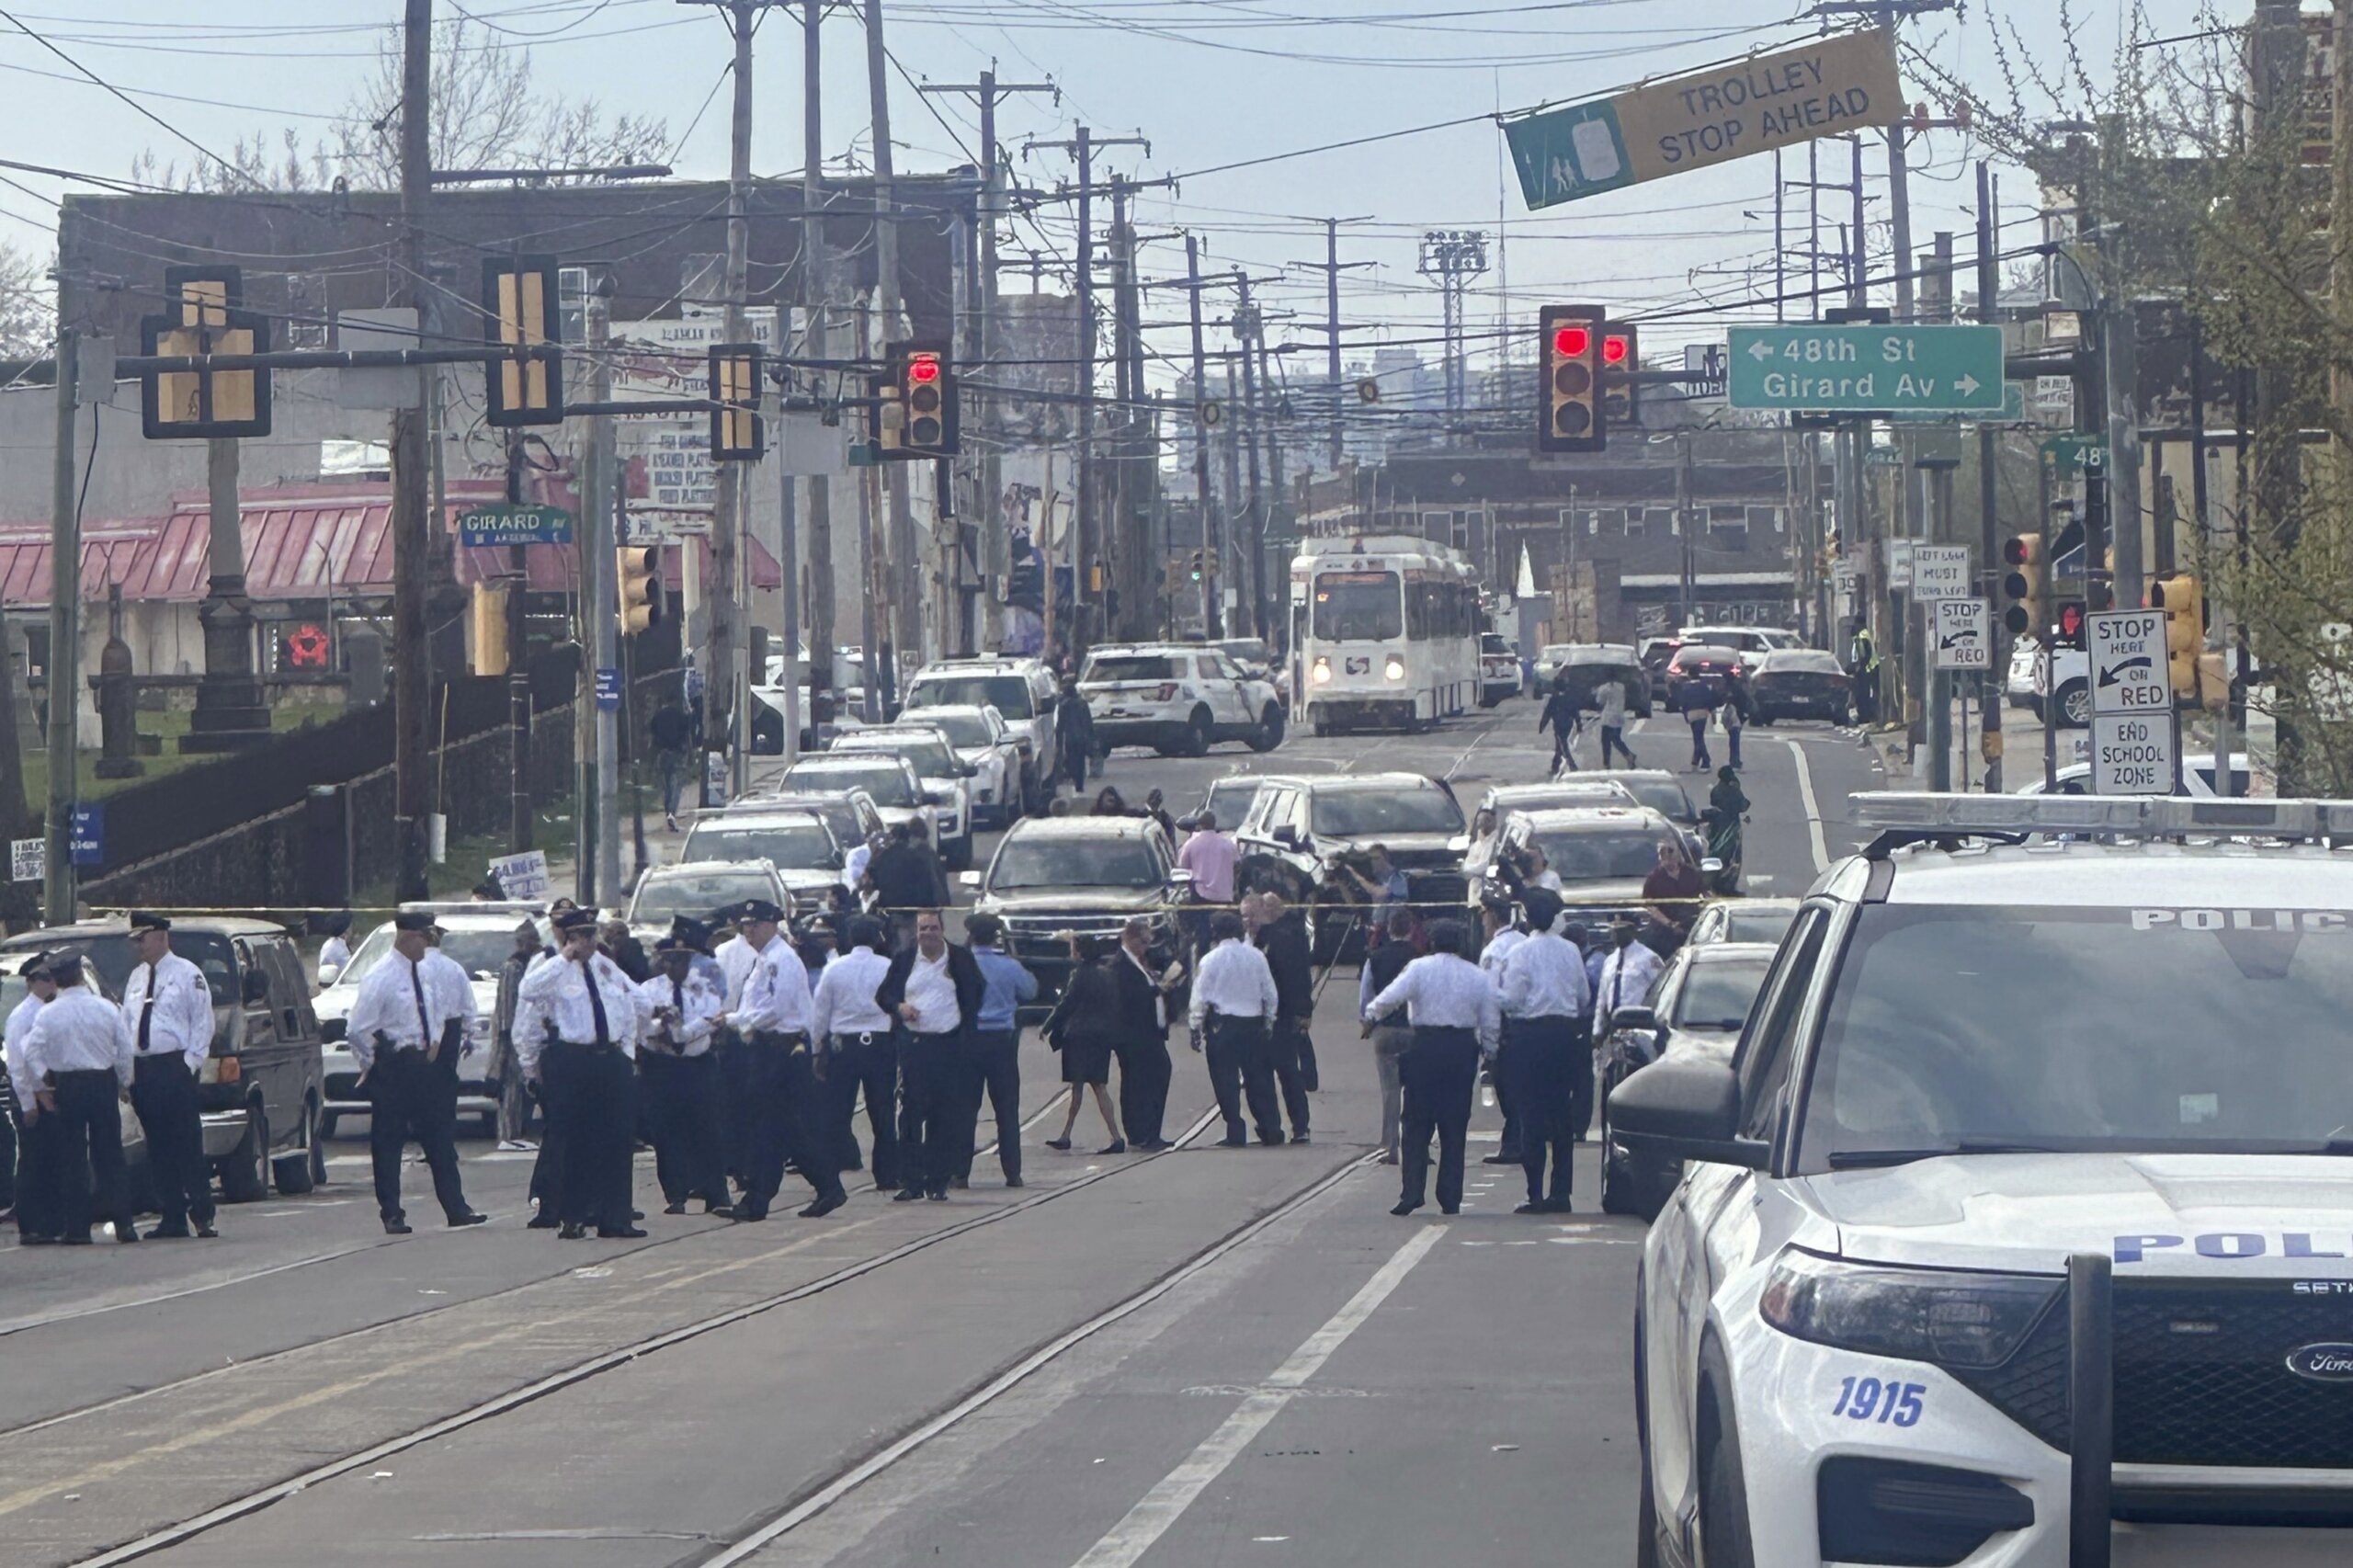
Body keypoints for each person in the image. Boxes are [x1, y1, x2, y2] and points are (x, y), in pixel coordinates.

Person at [346, 912, 488, 1235]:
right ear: (409, 937)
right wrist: (373, 1063)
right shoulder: (380, 976)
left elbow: (435, 1014)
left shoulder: (423, 973)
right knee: (389, 1142)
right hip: (395, 1064)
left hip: (427, 1065)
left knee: (440, 1137)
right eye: (426, 937)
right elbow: (358, 1029)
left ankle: (456, 1207)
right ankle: (392, 1211)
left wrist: (434, 1046)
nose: (429, 944)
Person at [516, 908, 653, 1238]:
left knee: (618, 1140)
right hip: (573, 1060)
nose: (589, 943)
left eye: (592, 935)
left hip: (610, 1058)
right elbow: (528, 992)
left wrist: (628, 1051)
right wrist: (564, 958)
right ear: (567, 938)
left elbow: (640, 1001)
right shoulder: (553, 968)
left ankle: (615, 1217)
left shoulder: (605, 967)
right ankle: (573, 1217)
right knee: (576, 1141)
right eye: (581, 936)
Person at [1362, 918, 1499, 1218]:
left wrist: (1371, 1015)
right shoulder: (1477, 976)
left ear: (1432, 942)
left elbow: (1389, 997)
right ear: (1461, 944)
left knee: (1415, 1123)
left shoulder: (1419, 969)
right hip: (1461, 1049)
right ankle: (1450, 1196)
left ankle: (1412, 1193)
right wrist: (1490, 1052)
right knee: (1454, 1126)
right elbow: (1490, 1021)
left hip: (1424, 1046)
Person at [722, 898, 846, 1220]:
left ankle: (816, 1187)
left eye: (755, 925)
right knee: (775, 1127)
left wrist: (733, 1020)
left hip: (783, 1050)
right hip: (765, 1048)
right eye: (745, 926)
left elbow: (774, 1010)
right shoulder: (765, 959)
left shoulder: (780, 960)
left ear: (771, 925)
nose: (749, 931)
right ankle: (764, 1197)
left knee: (779, 1125)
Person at [19, 954, 137, 1245]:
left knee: (73, 1157)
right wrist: (124, 1081)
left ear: (56, 980)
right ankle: (124, 1224)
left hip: (68, 1085)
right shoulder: (106, 1009)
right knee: (110, 1154)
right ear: (82, 977)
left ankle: (78, 1228)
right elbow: (124, 1048)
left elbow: (31, 1053)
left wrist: (43, 1082)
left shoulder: (48, 1014)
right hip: (102, 1081)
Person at [874, 908, 986, 1200]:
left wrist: (964, 1029)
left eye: (933, 928)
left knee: (945, 1115)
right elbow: (884, 995)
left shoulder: (960, 958)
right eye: (923, 929)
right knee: (910, 1114)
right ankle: (912, 1180)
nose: (928, 934)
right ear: (916, 932)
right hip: (914, 1046)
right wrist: (900, 1008)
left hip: (949, 1046)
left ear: (942, 930)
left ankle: (938, 1181)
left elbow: (976, 993)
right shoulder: (905, 960)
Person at [121, 912, 219, 1240]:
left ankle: (202, 1215)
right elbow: (127, 1024)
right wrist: (128, 1071)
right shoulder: (136, 978)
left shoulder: (188, 974)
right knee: (158, 1147)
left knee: (186, 1144)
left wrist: (190, 1064)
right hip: (144, 1069)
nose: (138, 946)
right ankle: (172, 1215)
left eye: (142, 938)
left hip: (174, 1067)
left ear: (161, 935)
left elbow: (202, 1023)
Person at [1496, 890, 1590, 1212]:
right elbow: (1583, 997)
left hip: (1530, 1036)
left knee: (1531, 1115)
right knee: (1561, 1116)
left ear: (1528, 918)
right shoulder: (1571, 951)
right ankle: (1561, 1192)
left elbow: (1510, 1000)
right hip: (1564, 1034)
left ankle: (1534, 1192)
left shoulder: (1520, 952)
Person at [636, 932, 732, 1216]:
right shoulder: (649, 990)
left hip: (696, 1064)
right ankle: (675, 1194)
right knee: (666, 1131)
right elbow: (641, 1025)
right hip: (661, 1067)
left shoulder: (706, 989)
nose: (675, 965)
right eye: (670, 960)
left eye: (681, 960)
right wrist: (659, 1028)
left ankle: (716, 1193)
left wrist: (678, 1034)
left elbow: (708, 1021)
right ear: (661, 962)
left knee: (707, 1129)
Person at [810, 915, 900, 1190]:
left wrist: (817, 1050)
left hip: (843, 1046)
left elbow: (821, 1012)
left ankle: (830, 1171)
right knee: (883, 1112)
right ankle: (887, 1175)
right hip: (881, 1044)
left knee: (837, 1112)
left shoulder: (834, 969)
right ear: (877, 938)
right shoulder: (889, 967)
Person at [1188, 909, 1280, 1147]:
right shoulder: (1257, 956)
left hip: (1223, 1026)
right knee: (1260, 1079)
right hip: (1253, 1024)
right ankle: (1270, 1128)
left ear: (1215, 933)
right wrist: (1269, 1020)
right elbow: (1270, 993)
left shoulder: (1210, 960)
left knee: (1225, 1080)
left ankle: (1235, 1129)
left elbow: (1200, 996)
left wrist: (1195, 1027)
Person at [959, 914, 1037, 1187]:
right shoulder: (1008, 966)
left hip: (969, 1039)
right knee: (1007, 1109)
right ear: (995, 937)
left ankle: (960, 1172)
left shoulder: (961, 966)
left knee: (966, 1108)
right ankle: (1012, 1172)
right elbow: (1030, 991)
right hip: (1001, 1042)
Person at [1041, 934, 1124, 1153]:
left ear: (1079, 951)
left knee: (1081, 1086)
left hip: (1079, 1036)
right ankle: (1070, 1134)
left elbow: (1067, 1003)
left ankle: (1112, 1137)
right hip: (1101, 1035)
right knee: (1095, 1086)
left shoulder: (1078, 974)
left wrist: (1048, 1025)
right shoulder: (1108, 974)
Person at [1108, 915, 1177, 1152]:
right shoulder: (1120, 965)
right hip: (1136, 1035)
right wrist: (1157, 989)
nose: (1147, 948)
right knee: (1140, 1081)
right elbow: (1127, 998)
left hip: (1151, 1033)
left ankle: (1148, 1131)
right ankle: (1143, 1132)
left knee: (1153, 1077)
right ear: (1131, 939)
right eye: (1144, 942)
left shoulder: (1140, 962)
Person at [6, 954, 61, 1244]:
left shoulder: (50, 1010)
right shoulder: (24, 1015)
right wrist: (28, 1104)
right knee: (33, 1162)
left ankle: (49, 1222)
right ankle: (32, 1225)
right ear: (31, 982)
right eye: (44, 978)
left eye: (52, 977)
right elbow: (18, 1065)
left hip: (48, 1096)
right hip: (32, 1098)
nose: (51, 983)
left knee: (50, 1160)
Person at [1356, 908, 1417, 1164]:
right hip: (1414, 1031)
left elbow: (1366, 996)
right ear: (1412, 931)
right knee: (1416, 1090)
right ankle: (1416, 1145)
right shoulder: (1419, 958)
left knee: (1390, 1091)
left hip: (1385, 1030)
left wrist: (1367, 1021)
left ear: (1389, 930)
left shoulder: (1375, 957)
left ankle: (1391, 1146)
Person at [1251, 892, 1317, 1128]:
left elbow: (1299, 977)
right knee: (1261, 1074)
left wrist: (1303, 1010)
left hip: (1283, 1013)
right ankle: (1270, 1126)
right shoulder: (1253, 939)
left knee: (1288, 1070)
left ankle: (1300, 1125)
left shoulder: (1288, 936)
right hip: (1255, 1016)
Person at [1476, 897, 1528, 1167]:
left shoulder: (1494, 950)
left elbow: (1490, 1000)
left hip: (1508, 1028)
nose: (1482, 920)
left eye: (1484, 914)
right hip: (1532, 1024)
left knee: (1508, 1089)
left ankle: (1514, 1143)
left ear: (1494, 916)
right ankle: (1521, 1139)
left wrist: (1489, 1045)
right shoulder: (1525, 942)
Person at [493, 920, 551, 1147]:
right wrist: (507, 1038)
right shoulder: (513, 967)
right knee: (512, 1090)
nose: (533, 945)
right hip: (512, 1035)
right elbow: (508, 1006)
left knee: (528, 1087)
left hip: (529, 1033)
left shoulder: (536, 965)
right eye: (529, 941)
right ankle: (509, 1135)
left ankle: (523, 1133)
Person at [869, 822, 950, 950]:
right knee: (916, 942)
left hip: (892, 909)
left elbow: (874, 881)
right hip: (915, 909)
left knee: (900, 943)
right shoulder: (917, 857)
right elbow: (927, 882)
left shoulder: (883, 857)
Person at [1593, 915, 1665, 1045]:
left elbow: (1662, 991)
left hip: (1638, 1024)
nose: (1615, 935)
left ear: (1632, 931)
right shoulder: (1610, 961)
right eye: (1613, 931)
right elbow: (1602, 998)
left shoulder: (1648, 958)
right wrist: (1597, 1029)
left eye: (1620, 931)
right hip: (1613, 1025)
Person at [1175, 808, 1237, 955]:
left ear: (1200, 825)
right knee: (1226, 934)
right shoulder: (1227, 844)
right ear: (1214, 824)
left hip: (1201, 894)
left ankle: (1203, 962)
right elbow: (1237, 864)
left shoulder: (1191, 844)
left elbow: (1183, 866)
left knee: (1203, 934)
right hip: (1224, 895)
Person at [1642, 837, 1708, 943]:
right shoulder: (1653, 878)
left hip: (1691, 927)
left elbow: (1705, 895)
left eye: (1670, 851)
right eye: (1663, 852)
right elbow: (1650, 905)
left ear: (1679, 853)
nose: (1667, 855)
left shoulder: (1692, 873)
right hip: (1664, 931)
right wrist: (1669, 923)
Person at [1703, 767, 1750, 895]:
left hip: (1716, 827)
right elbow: (1743, 805)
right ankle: (1729, 883)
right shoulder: (1734, 791)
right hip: (1731, 827)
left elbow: (1713, 804)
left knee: (1714, 852)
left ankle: (1712, 881)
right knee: (1734, 856)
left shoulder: (1715, 790)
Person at [650, 699, 693, 831]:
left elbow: (652, 734)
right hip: (677, 753)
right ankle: (672, 812)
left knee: (665, 785)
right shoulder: (680, 715)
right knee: (677, 784)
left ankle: (667, 809)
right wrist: (689, 753)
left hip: (662, 753)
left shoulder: (658, 716)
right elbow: (687, 734)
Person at [1055, 674, 1097, 794]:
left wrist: (1058, 740)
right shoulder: (1082, 704)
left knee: (1071, 760)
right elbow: (1088, 722)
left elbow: (1060, 725)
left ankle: (1075, 780)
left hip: (1070, 738)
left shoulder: (1063, 705)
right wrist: (1092, 737)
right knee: (1080, 761)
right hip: (1082, 738)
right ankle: (1079, 783)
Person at [1537, 676, 1583, 776]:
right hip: (1568, 724)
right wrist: (1579, 724)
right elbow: (1575, 712)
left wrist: (1542, 725)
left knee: (1562, 745)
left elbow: (1547, 713)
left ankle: (1572, 765)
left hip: (1558, 725)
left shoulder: (1554, 699)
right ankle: (1555, 766)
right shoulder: (1570, 698)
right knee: (1560, 745)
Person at [1594, 673, 1638, 767]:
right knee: (1616, 739)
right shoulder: (1621, 686)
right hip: (1619, 716)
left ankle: (1607, 763)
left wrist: (1596, 691)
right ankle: (1629, 755)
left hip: (1608, 717)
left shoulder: (1604, 688)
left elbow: (1599, 701)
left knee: (1605, 741)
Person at [1680, 676, 1716, 773]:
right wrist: (1712, 712)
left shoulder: (1686, 687)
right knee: (1699, 737)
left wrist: (1685, 715)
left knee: (1697, 738)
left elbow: (1684, 703)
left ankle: (1697, 761)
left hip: (1692, 713)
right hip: (1702, 713)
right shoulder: (1704, 687)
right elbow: (1710, 700)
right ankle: (1704, 760)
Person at [1719, 668, 1748, 770]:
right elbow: (1744, 700)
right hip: (1738, 716)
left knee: (1733, 740)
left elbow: (1720, 700)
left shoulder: (1726, 689)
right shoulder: (1738, 688)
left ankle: (1734, 761)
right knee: (1735, 739)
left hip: (1731, 715)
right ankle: (1735, 761)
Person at [317, 912, 354, 985]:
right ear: (346, 930)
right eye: (350, 927)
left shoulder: (336, 944)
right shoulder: (337, 949)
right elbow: (351, 970)